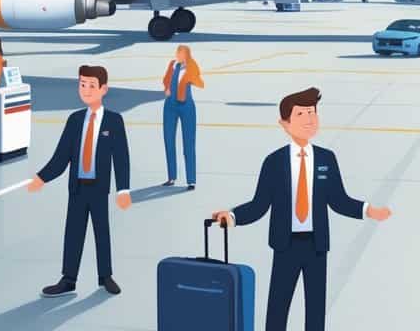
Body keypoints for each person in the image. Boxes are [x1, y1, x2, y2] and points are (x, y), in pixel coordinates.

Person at [212, 87, 392, 331]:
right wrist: (232, 216)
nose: (309, 119)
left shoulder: (327, 159)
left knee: (315, 311)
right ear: (284, 123)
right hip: (285, 245)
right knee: (278, 307)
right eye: (301, 114)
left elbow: (338, 200)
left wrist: (369, 210)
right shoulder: (274, 163)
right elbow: (259, 205)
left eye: (312, 113)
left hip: (316, 246)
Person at [27, 65, 132, 297]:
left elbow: (121, 157)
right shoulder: (74, 120)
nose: (86, 90)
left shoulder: (114, 121)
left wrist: (123, 189)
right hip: (77, 187)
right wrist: (42, 177)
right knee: (73, 232)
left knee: (101, 231)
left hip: (99, 187)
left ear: (104, 89)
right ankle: (68, 279)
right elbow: (62, 155)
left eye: (91, 85)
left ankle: (105, 276)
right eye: (82, 84)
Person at [161, 44, 204, 190]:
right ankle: (171, 177)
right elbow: (166, 79)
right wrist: (166, 88)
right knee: (168, 140)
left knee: (189, 143)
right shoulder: (173, 65)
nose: (178, 56)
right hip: (170, 105)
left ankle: (191, 180)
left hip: (187, 107)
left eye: (180, 53)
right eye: (177, 53)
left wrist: (192, 78)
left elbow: (200, 82)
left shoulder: (192, 66)